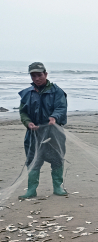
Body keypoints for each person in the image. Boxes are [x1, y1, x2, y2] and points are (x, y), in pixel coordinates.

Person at [18, 62, 68, 199]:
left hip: (53, 132)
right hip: (34, 133)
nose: (37, 78)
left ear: (45, 74)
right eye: (33, 75)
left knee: (57, 158)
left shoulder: (57, 91)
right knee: (33, 160)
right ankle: (31, 190)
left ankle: (57, 187)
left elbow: (61, 107)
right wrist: (28, 123)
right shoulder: (27, 93)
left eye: (39, 75)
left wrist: (54, 117)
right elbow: (23, 113)